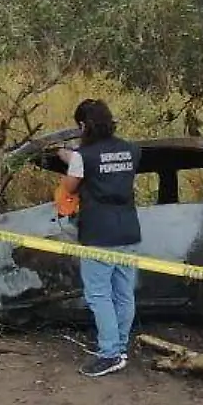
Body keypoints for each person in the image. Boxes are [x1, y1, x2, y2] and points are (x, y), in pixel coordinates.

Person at [56, 99, 142, 377]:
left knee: (98, 295)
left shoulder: (84, 155)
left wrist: (69, 158)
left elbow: (71, 186)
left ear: (83, 125)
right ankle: (119, 347)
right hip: (128, 229)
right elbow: (112, 169)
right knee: (123, 293)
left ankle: (109, 354)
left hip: (98, 233)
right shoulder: (131, 150)